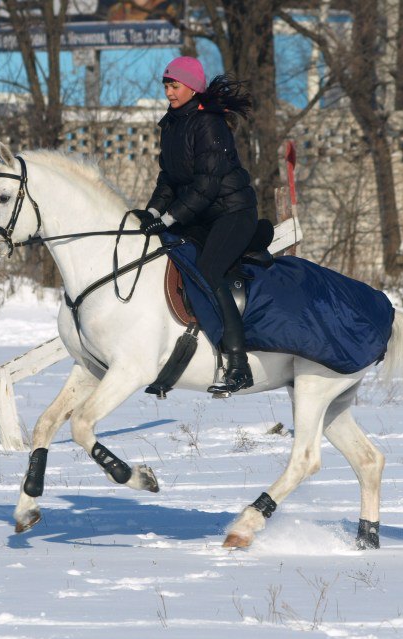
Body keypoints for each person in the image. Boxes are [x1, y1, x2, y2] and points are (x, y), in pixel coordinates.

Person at [133, 56, 258, 395]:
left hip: (231, 213)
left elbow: (208, 184)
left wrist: (171, 218)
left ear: (192, 87)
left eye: (174, 86)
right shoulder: (172, 124)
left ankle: (238, 364)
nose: (169, 93)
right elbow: (168, 180)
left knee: (208, 269)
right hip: (200, 214)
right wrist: (152, 213)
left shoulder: (208, 123)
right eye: (166, 87)